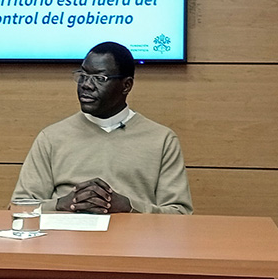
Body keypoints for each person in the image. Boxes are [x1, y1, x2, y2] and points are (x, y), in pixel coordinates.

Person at [11, 41, 193, 214]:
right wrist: (62, 204)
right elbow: (18, 208)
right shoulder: (51, 138)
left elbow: (180, 213)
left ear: (126, 85)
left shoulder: (161, 140)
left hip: (134, 243)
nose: (86, 85)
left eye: (99, 78)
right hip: (64, 242)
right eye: (83, 76)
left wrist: (129, 206)